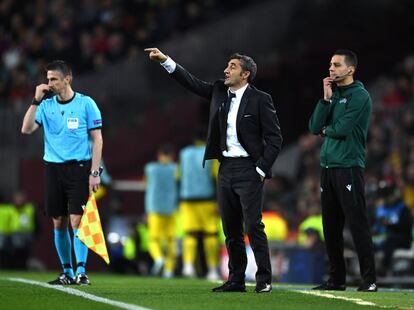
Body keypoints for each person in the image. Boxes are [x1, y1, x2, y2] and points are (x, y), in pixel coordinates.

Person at [145, 48, 282, 293]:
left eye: (232, 67)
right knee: (230, 228)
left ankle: (264, 279)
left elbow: (275, 139)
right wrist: (165, 61)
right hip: (225, 168)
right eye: (227, 66)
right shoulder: (220, 91)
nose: (225, 70)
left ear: (246, 74)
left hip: (250, 169)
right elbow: (191, 82)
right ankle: (236, 280)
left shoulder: (261, 99)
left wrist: (261, 169)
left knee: (253, 226)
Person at [21, 60, 103, 285]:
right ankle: (66, 272)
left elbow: (97, 139)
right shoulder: (45, 106)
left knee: (77, 221)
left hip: (79, 168)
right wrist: (35, 100)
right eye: (48, 79)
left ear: (68, 79)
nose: (49, 83)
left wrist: (95, 172)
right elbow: (26, 129)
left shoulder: (86, 104)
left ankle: (81, 271)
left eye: (54, 79)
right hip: (52, 170)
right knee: (59, 222)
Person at [309, 49, 377, 292]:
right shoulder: (333, 95)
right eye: (330, 65)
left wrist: (326, 130)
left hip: (349, 167)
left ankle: (369, 279)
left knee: (357, 223)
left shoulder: (360, 96)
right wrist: (325, 100)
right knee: (331, 226)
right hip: (327, 167)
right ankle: (337, 279)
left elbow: (341, 129)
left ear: (350, 69)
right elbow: (314, 126)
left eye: (337, 65)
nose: (331, 69)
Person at [178, 130, 220, 280]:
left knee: (190, 234)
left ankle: (188, 267)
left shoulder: (183, 154)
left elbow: (178, 176)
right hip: (207, 200)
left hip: (187, 200)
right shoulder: (211, 153)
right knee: (210, 235)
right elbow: (216, 177)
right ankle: (213, 270)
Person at [144, 144, 178, 278]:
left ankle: (158, 258)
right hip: (171, 208)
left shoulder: (150, 168)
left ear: (159, 156)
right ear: (172, 156)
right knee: (171, 240)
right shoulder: (176, 169)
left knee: (153, 239)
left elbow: (147, 186)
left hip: (154, 207)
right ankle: (169, 270)